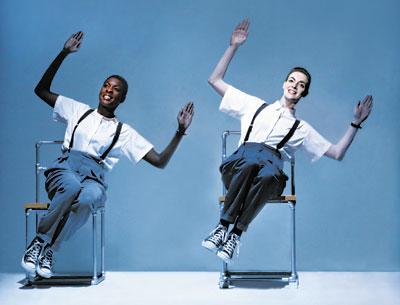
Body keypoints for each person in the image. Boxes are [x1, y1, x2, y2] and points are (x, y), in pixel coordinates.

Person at [21, 31, 194, 278]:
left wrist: (179, 131)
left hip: (94, 177)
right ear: (101, 89)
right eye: (106, 85)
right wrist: (64, 53)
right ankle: (39, 241)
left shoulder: (124, 132)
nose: (109, 91)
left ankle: (49, 248)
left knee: (89, 198)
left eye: (116, 90)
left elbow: (159, 161)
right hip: (66, 169)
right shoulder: (77, 110)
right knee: (70, 188)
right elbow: (41, 89)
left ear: (122, 98)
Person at [201, 19, 372, 263]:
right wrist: (233, 47)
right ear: (284, 83)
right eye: (292, 80)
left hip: (268, 176)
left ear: (304, 93)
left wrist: (355, 122)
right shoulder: (253, 105)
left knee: (270, 172)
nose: (295, 86)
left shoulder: (300, 128)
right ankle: (223, 227)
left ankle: (233, 236)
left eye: (301, 85)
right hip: (239, 167)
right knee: (251, 161)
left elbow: (336, 152)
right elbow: (214, 80)